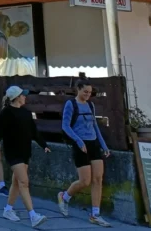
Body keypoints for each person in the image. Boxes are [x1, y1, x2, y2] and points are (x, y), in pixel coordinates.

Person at [0, 86, 50, 227]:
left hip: (25, 152)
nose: (25, 97)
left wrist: (44, 144)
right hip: (13, 152)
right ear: (16, 97)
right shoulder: (6, 113)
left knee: (16, 182)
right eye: (23, 95)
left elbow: (34, 132)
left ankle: (8, 210)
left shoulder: (26, 113)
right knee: (23, 182)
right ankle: (33, 215)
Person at [58, 81, 112, 227]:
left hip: (93, 143)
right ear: (78, 90)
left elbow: (94, 125)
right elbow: (65, 126)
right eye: (85, 92)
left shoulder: (90, 105)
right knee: (85, 181)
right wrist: (78, 141)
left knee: (98, 179)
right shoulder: (71, 104)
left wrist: (103, 145)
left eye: (90, 92)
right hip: (80, 144)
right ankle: (65, 196)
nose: (88, 95)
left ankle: (95, 214)